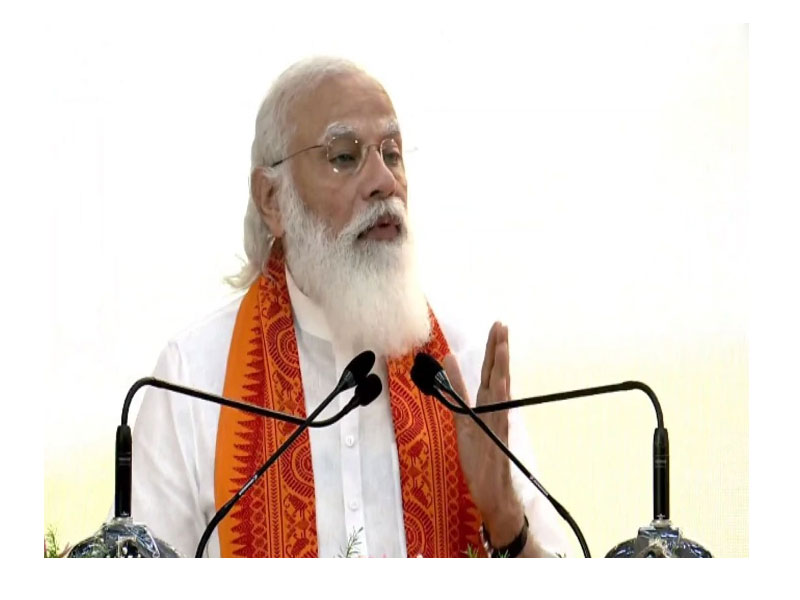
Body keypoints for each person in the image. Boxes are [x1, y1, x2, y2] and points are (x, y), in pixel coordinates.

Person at [131, 57, 569, 558]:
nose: (384, 181)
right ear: (272, 199)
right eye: (344, 156)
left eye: (392, 153)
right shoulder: (193, 382)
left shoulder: (461, 371)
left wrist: (505, 517)